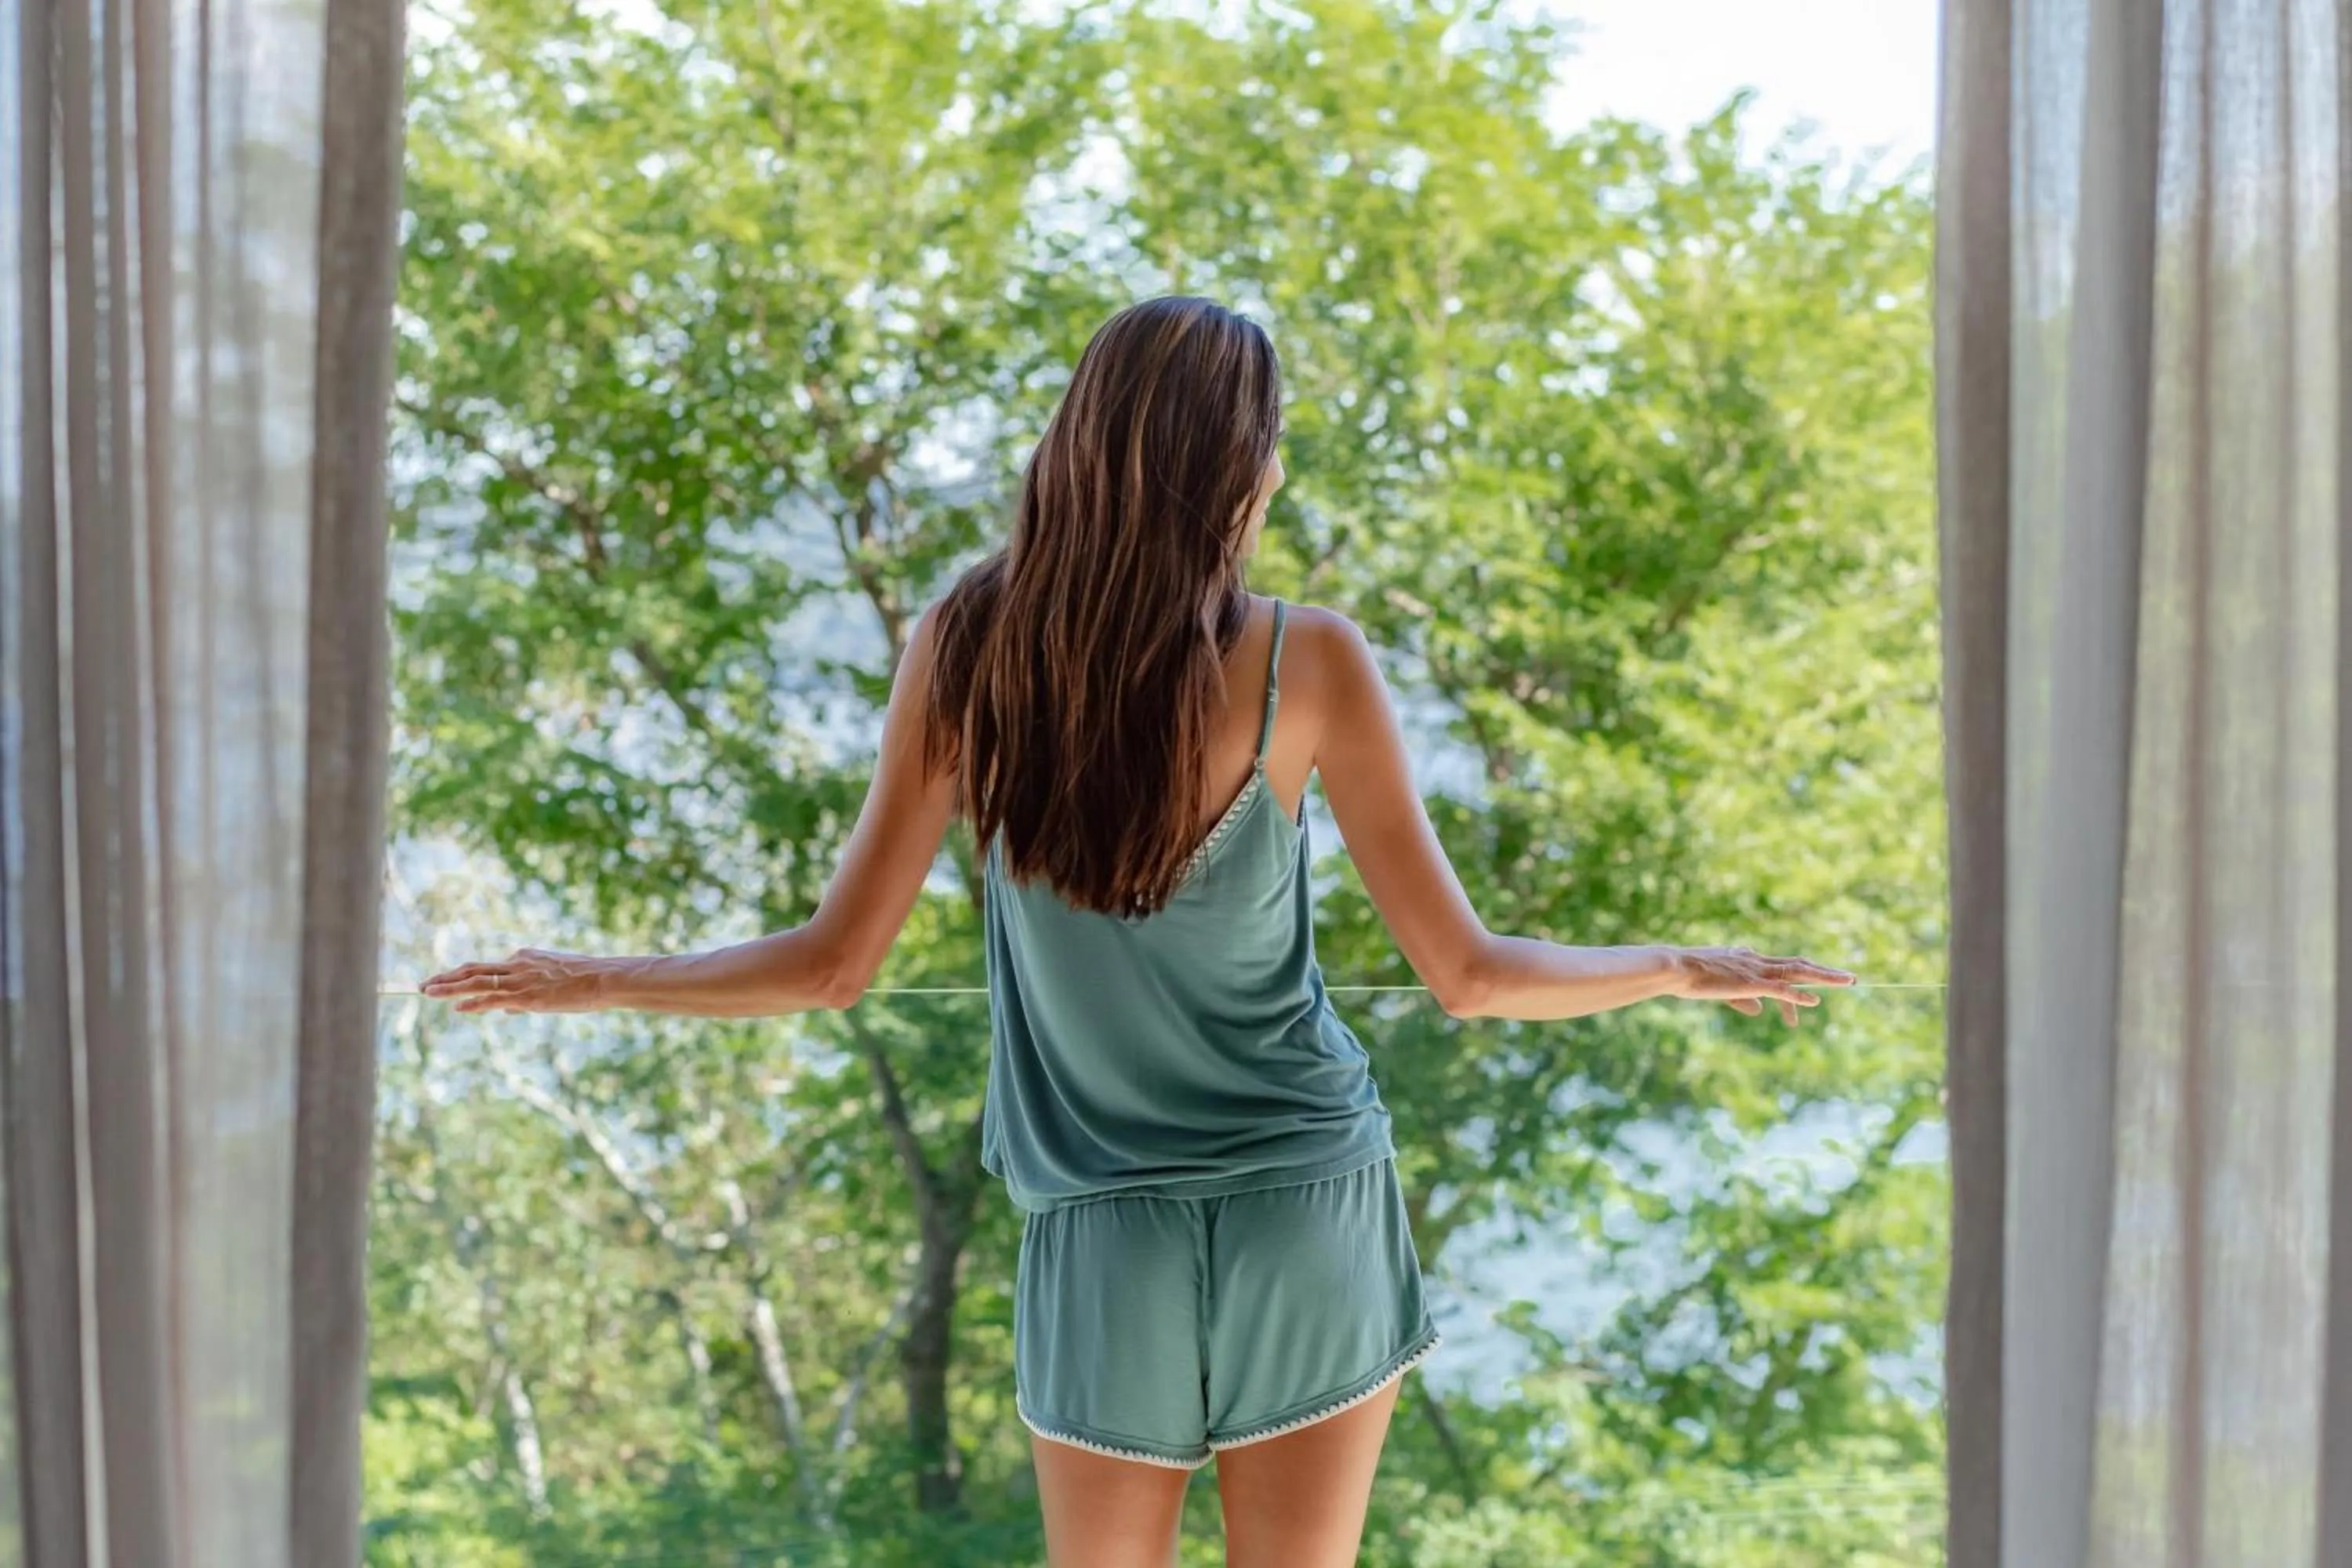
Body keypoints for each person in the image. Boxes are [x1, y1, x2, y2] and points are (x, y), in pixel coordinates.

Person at [423, 294, 1856, 1567]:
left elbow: (831, 965)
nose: (1278, 471)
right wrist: (1674, 966)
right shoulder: (1307, 659)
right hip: (1309, 1200)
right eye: (1270, 442)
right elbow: (1472, 978)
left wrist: (589, 978)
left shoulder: (968, 651)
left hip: (1102, 1228)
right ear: (1228, 465)